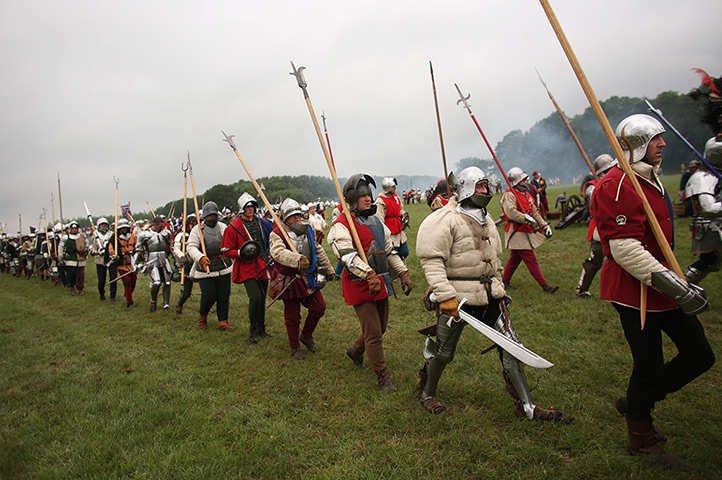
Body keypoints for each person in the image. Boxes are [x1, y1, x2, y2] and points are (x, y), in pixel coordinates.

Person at [592, 114, 715, 470]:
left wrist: (677, 284)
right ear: (637, 144)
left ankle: (636, 401)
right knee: (648, 364)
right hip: (635, 290)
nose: (663, 144)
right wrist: (678, 287)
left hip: (660, 283)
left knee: (700, 355)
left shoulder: (648, 178)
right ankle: (640, 438)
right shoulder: (617, 185)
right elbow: (624, 249)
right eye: (656, 138)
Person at [416, 166, 573, 421]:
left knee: (512, 347)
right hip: (458, 298)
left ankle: (527, 406)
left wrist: (499, 287)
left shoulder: (486, 218)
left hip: (489, 296)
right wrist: (445, 296)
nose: (485, 190)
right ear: (466, 187)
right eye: (479, 185)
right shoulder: (444, 219)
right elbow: (432, 262)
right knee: (444, 352)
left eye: (486, 185)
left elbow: (495, 261)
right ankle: (427, 393)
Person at [328, 174, 412, 393]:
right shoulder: (341, 226)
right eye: (362, 196)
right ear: (352, 199)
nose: (367, 199)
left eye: (369, 195)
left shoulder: (377, 222)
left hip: (381, 281)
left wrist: (402, 272)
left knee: (380, 328)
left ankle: (356, 351)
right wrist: (368, 274)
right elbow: (347, 256)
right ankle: (382, 377)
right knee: (374, 333)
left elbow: (389, 250)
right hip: (360, 284)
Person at [270, 198, 335, 359]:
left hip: (310, 277)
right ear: (285, 218)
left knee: (319, 308)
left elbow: (317, 249)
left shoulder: (308, 229)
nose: (297, 218)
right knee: (292, 317)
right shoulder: (277, 233)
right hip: (290, 280)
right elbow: (277, 253)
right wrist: (296, 259)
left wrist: (328, 268)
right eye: (293, 216)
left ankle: (306, 336)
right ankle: (294, 347)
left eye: (298, 214)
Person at [222, 193, 273, 341]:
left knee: (262, 297)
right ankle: (253, 329)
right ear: (242, 208)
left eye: (252, 206)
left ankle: (261, 328)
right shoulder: (233, 227)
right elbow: (226, 250)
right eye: (247, 207)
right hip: (246, 265)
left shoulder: (262, 223)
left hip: (262, 263)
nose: (250, 209)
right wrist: (241, 252)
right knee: (255, 297)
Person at [500, 167, 558, 293]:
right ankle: (545, 286)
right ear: (516, 181)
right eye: (522, 180)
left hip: (525, 229)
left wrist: (544, 225)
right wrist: (525, 218)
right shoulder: (509, 195)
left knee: (514, 259)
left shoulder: (526, 194)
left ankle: (505, 281)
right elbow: (511, 213)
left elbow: (535, 212)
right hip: (516, 231)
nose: (525, 182)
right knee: (531, 259)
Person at [575, 154, 617, 298]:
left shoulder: (616, 182)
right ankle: (582, 289)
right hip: (600, 228)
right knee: (594, 261)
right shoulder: (592, 187)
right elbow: (596, 207)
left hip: (617, 227)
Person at [188, 202, 234, 330]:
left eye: (214, 215)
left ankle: (223, 321)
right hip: (205, 268)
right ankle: (203, 317)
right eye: (209, 216)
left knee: (224, 295)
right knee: (209, 295)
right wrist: (200, 258)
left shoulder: (222, 227)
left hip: (223, 265)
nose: (212, 218)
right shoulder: (197, 230)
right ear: (205, 216)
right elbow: (191, 247)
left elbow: (229, 242)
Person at [684, 135, 722, 284]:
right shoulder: (702, 177)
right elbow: (708, 208)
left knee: (711, 263)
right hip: (710, 226)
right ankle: (683, 289)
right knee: (708, 262)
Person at [137, 217, 174, 312]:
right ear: (155, 225)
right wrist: (135, 264)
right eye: (160, 226)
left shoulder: (166, 233)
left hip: (164, 259)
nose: (162, 228)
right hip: (152, 260)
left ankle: (166, 303)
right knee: (156, 282)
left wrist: (177, 262)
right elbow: (138, 250)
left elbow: (172, 248)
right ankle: (153, 300)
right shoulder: (144, 234)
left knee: (167, 282)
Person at [106, 219, 138, 309]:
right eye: (122, 228)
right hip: (122, 264)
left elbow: (137, 246)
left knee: (133, 281)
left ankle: (128, 294)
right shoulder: (115, 238)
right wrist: (114, 256)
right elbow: (111, 249)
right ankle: (130, 302)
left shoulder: (133, 236)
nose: (124, 229)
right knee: (127, 282)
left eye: (125, 228)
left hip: (132, 262)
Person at [375, 177, 409, 260]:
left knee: (405, 252)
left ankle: (399, 266)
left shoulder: (396, 197)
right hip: (390, 233)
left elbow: (401, 209)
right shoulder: (380, 201)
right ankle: (396, 269)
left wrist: (404, 217)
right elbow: (380, 219)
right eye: (393, 186)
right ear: (388, 187)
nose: (395, 188)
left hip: (399, 230)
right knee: (393, 254)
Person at [172, 214, 198, 314]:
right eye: (192, 224)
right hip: (188, 265)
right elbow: (176, 248)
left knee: (206, 288)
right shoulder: (181, 235)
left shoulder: (198, 234)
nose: (193, 226)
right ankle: (180, 304)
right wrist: (181, 256)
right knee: (187, 292)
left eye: (195, 224)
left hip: (198, 262)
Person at [90, 218, 117, 302]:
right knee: (101, 279)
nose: (104, 226)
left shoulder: (112, 235)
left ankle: (113, 296)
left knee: (113, 278)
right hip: (100, 260)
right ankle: (102, 293)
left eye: (105, 225)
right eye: (102, 225)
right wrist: (98, 252)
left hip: (111, 259)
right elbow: (91, 249)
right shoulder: (95, 236)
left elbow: (116, 246)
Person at [58, 221, 88, 296]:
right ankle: (72, 287)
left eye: (75, 228)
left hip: (80, 258)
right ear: (70, 229)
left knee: (81, 275)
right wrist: (60, 257)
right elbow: (61, 247)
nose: (74, 230)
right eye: (73, 228)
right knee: (71, 275)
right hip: (70, 258)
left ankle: (80, 289)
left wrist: (85, 253)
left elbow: (86, 245)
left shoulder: (82, 236)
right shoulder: (66, 237)